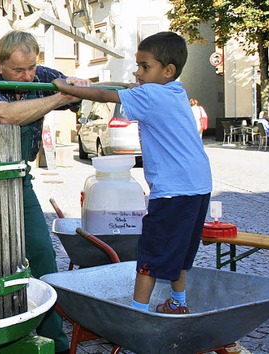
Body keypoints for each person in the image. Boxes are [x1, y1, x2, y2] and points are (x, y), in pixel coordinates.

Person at [53, 32, 212, 314]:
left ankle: (138, 312)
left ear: (168, 70)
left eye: (144, 67)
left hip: (173, 190)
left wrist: (67, 88)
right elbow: (122, 85)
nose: (137, 72)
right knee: (180, 250)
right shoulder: (176, 90)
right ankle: (178, 303)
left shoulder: (150, 95)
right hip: (198, 185)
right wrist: (90, 83)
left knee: (150, 253)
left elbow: (105, 95)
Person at [0, 30, 90, 354]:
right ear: (0, 64)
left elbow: (80, 90)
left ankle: (55, 344)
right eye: (18, 71)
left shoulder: (45, 77)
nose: (26, 76)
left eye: (31, 68)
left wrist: (76, 86)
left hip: (19, 178)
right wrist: (59, 97)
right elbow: (3, 116)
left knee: (41, 255)